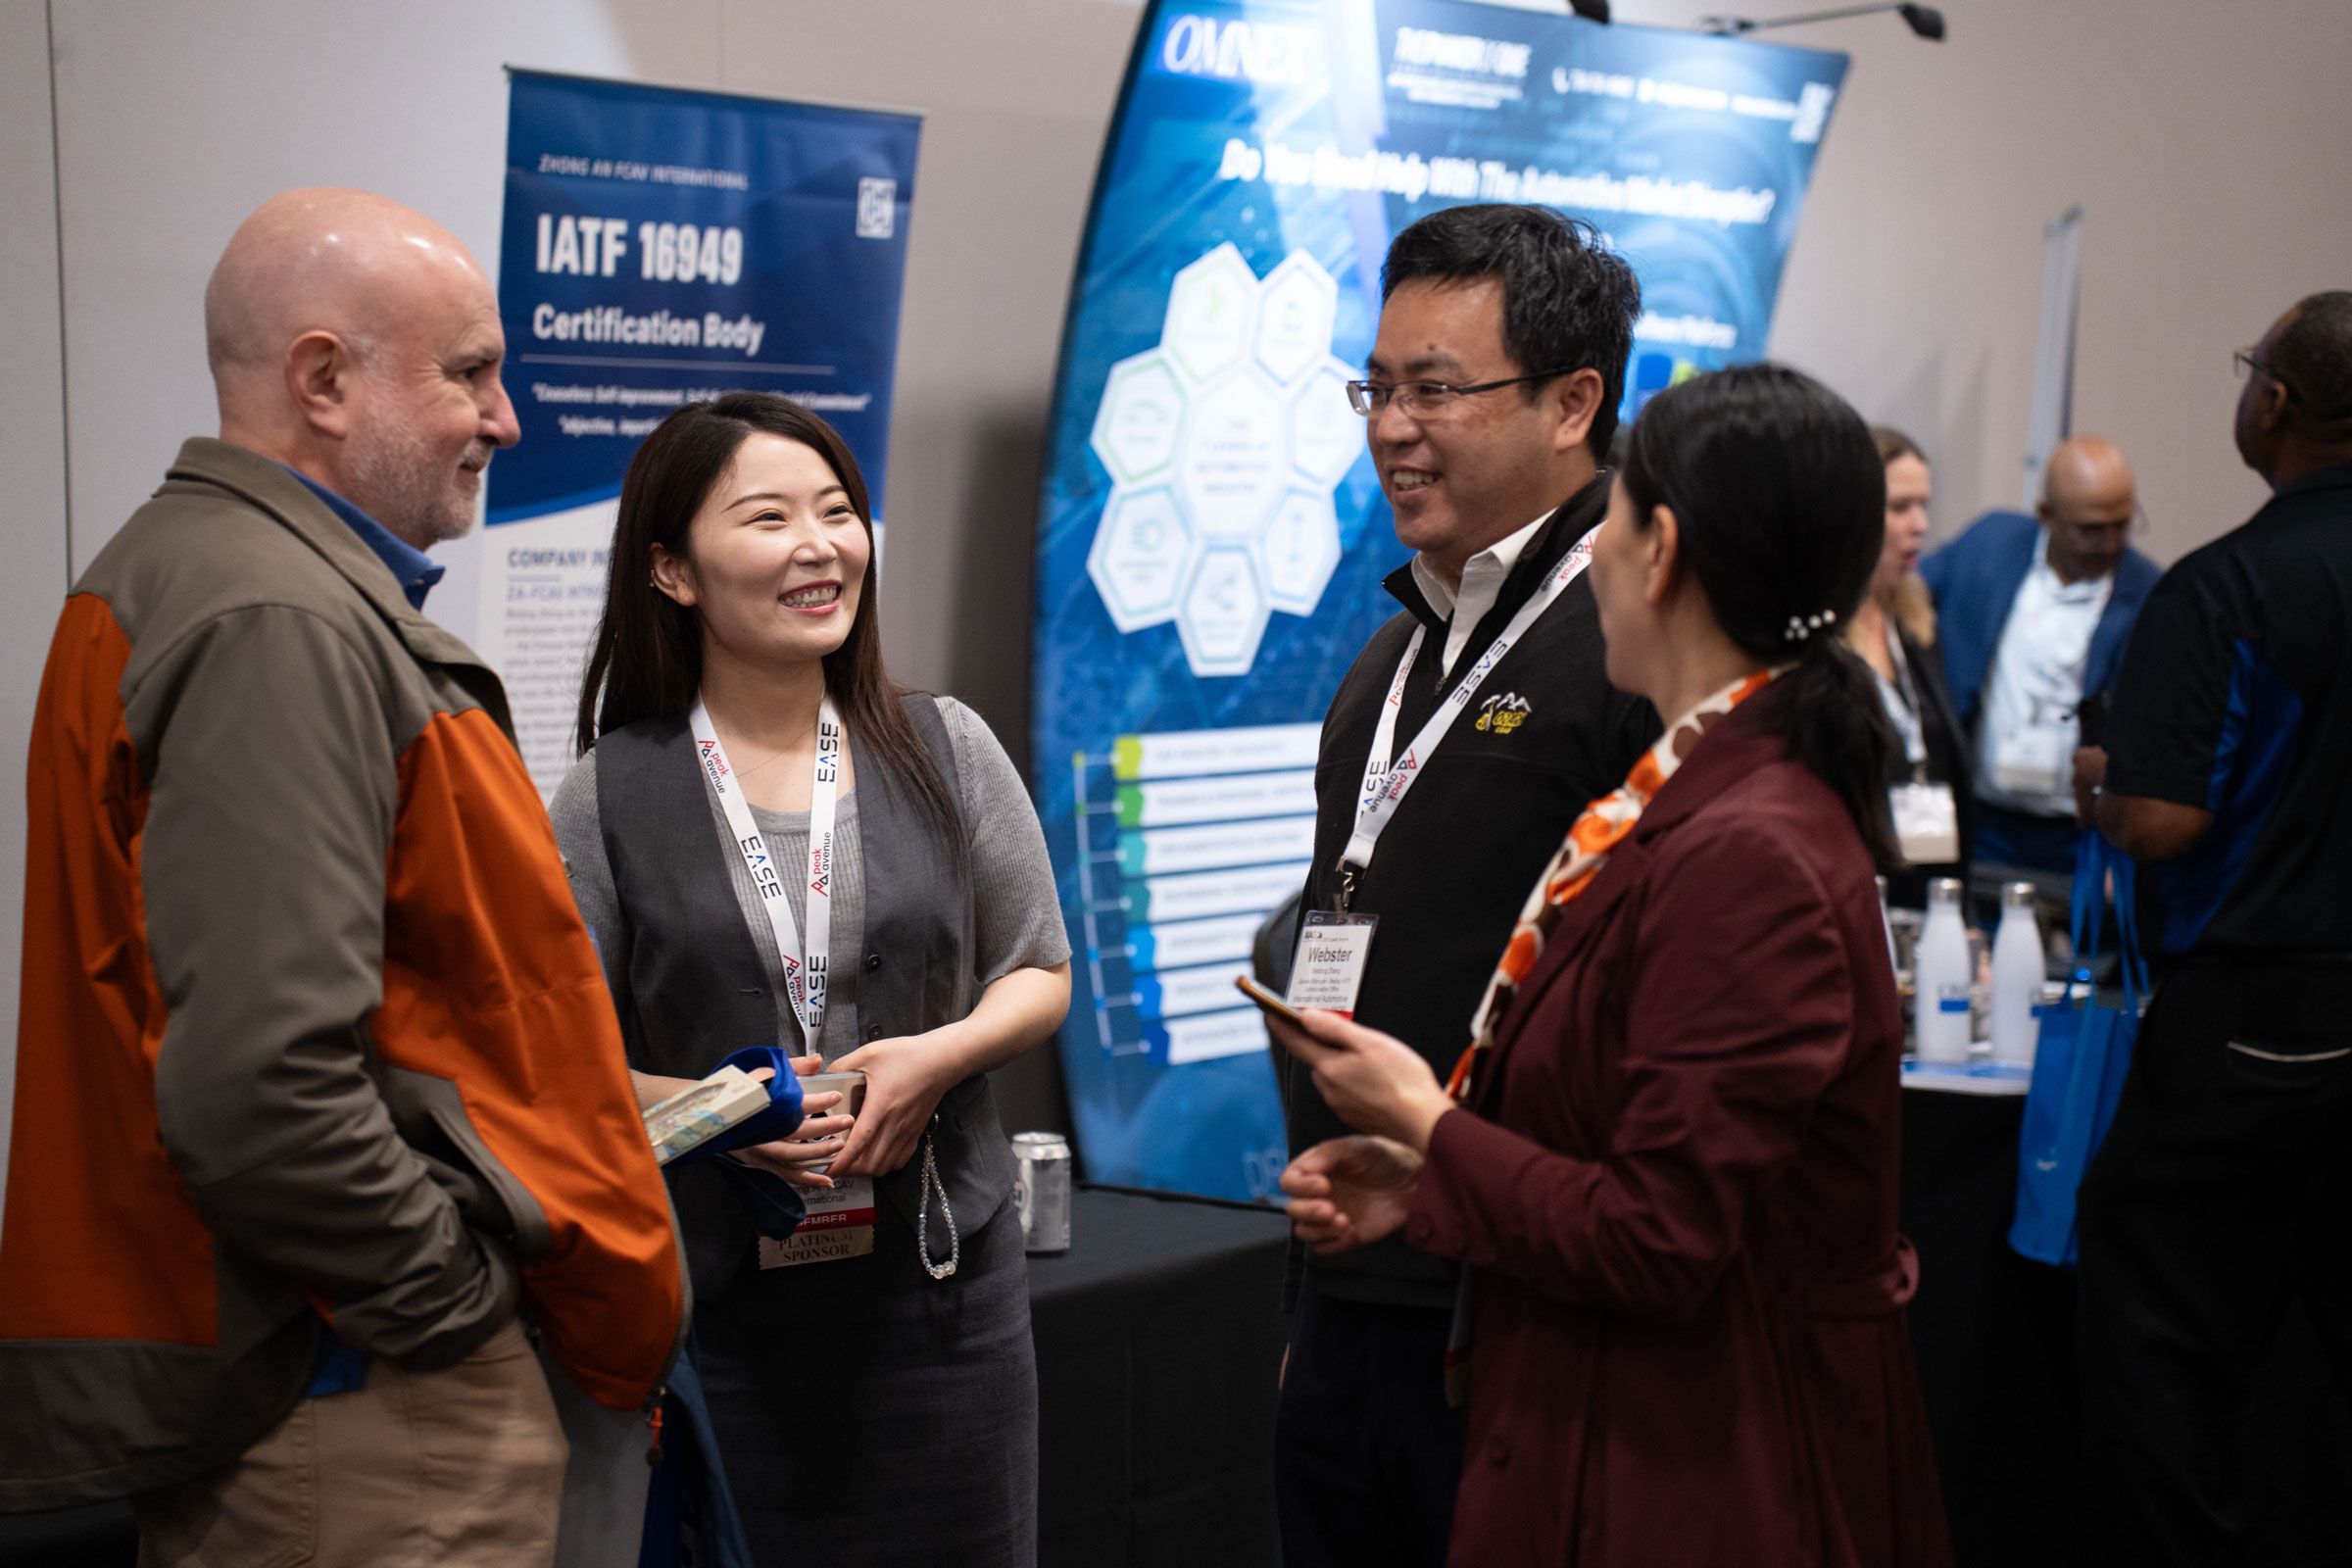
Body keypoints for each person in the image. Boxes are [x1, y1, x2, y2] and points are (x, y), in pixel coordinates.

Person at [0, 189, 684, 1564]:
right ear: (323, 380)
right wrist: (455, 1314)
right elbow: (262, 1084)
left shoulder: (211, 582)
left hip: (330, 1386)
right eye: (471, 373)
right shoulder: (276, 619)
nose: (505, 420)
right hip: (358, 1398)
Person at [1275, 363, 1952, 1568]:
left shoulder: (1748, 849)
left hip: (1700, 1460)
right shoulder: (1703, 794)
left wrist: (1430, 1123)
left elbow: (1657, 1235)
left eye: (1615, 524)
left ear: (1661, 551)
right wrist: (1434, 1182)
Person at [553, 391, 1071, 1566]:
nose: (818, 545)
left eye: (837, 511)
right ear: (672, 570)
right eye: (768, 517)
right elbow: (560, 1062)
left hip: (945, 1301)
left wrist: (939, 1057)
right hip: (723, 1315)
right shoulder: (609, 793)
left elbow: (1039, 969)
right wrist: (718, 1117)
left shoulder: (946, 744)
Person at [1276, 203, 1658, 1568]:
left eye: (1435, 389)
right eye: (1377, 389)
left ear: (1573, 402)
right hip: (1350, 1265)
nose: (1392, 428)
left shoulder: (1634, 643)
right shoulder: (1393, 652)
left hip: (1524, 1293)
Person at [2070, 290, 2352, 1566]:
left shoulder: (2226, 584)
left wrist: (2103, 785)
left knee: (2163, 1357)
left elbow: (2162, 820)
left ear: (2275, 402)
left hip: (2254, 1030)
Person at [1921, 434, 2160, 879]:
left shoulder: (2148, 592)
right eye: (2091, 530)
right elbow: (1905, 592)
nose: (2111, 544)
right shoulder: (1989, 545)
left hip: (2080, 833)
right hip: (1982, 820)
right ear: (2047, 515)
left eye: (2122, 525)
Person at [1847, 427, 1970, 905]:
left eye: (1923, 506)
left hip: (1933, 890)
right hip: (1858, 888)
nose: (1920, 524)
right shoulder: (1821, 640)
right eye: (1900, 507)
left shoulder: (1918, 621)